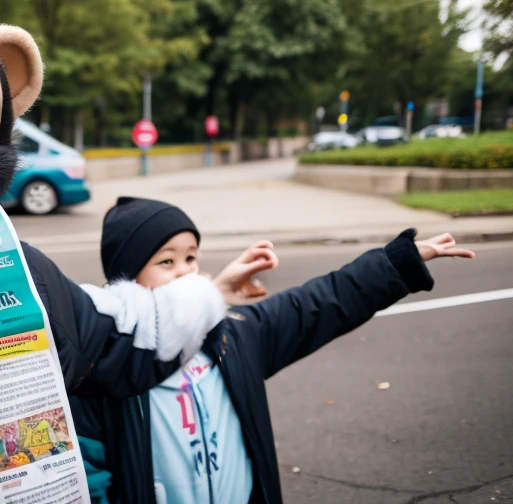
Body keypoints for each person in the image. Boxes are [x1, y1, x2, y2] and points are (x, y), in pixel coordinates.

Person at [72, 197, 475, 504]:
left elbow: (318, 304)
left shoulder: (234, 337)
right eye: (167, 261)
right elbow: (89, 477)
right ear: (127, 286)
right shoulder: (106, 368)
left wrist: (396, 264)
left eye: (191, 257)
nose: (186, 271)